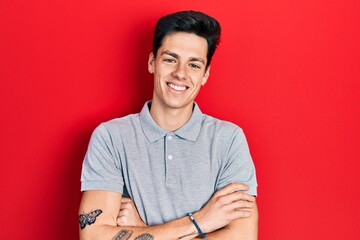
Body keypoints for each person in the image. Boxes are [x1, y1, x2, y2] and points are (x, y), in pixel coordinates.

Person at [79, 10, 258, 240]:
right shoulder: (110, 138)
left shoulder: (229, 140)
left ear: (205, 75)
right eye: (170, 59)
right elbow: (94, 237)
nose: (180, 74)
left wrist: (141, 228)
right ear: (152, 62)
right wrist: (200, 221)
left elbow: (243, 237)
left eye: (194, 65)